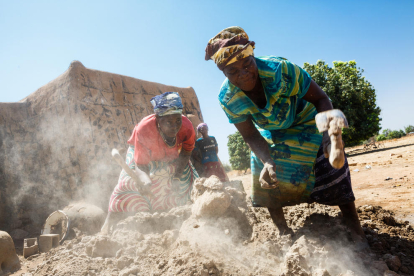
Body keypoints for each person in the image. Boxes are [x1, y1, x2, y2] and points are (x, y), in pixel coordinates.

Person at [205, 26, 366, 246]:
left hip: (306, 119)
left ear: (253, 56)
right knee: (262, 170)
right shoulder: (228, 98)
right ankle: (283, 234)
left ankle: (357, 234)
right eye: (232, 72)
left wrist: (328, 136)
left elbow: (320, 99)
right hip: (273, 130)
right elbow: (251, 135)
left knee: (331, 168)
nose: (243, 73)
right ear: (223, 73)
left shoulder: (280, 70)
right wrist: (268, 161)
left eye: (247, 64)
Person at [101, 92, 198, 233]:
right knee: (128, 183)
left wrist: (176, 176)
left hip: (172, 155)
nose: (174, 126)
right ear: (158, 119)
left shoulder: (187, 127)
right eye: (168, 122)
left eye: (178, 120)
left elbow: (186, 153)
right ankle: (110, 221)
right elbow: (140, 165)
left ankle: (181, 218)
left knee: (186, 181)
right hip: (142, 154)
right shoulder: (144, 130)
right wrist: (145, 181)